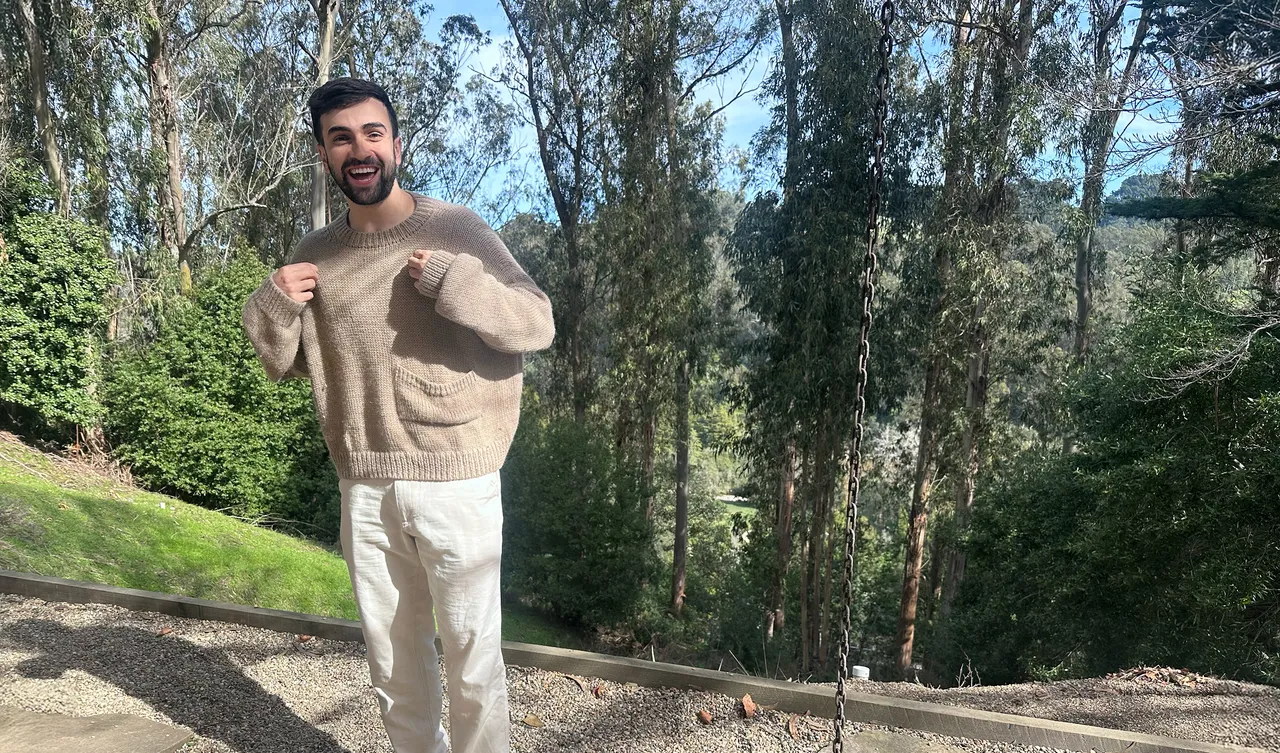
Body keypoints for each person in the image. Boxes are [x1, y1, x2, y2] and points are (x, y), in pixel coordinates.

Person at [241, 77, 554, 753]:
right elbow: (291, 361)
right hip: (365, 482)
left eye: (371, 134)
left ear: (396, 145)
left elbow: (536, 321)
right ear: (324, 153)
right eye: (341, 137)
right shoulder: (314, 254)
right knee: (394, 668)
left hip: (460, 481)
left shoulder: (456, 229)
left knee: (474, 662)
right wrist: (271, 304)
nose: (359, 149)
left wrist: (456, 282)